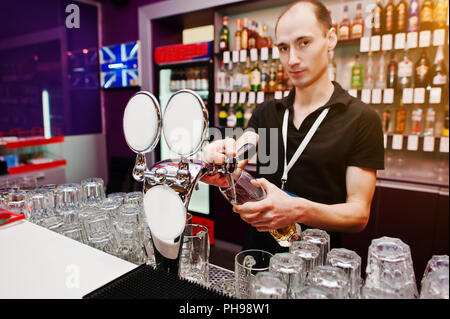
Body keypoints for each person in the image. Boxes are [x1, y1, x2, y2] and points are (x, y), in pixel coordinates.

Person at [201, 0, 384, 254]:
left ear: (330, 39)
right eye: (284, 48)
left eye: (304, 43)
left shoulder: (362, 119)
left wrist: (296, 209)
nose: (293, 59)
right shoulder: (267, 112)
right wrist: (221, 162)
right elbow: (241, 153)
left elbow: (358, 215)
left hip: (317, 264)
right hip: (259, 256)